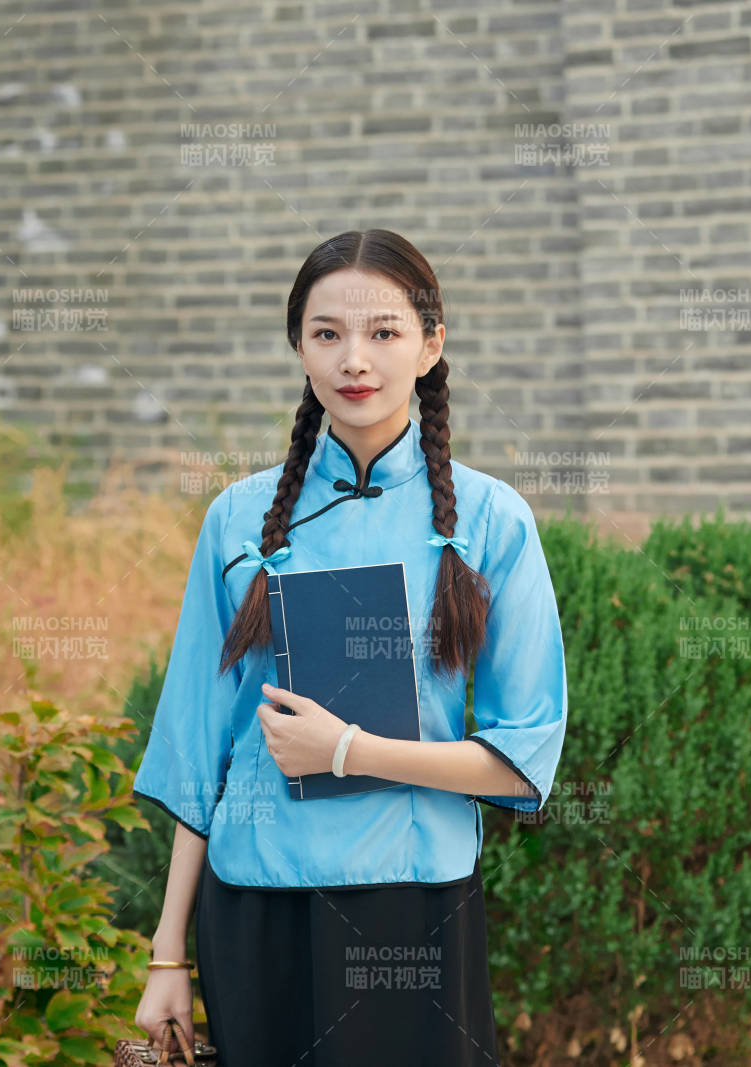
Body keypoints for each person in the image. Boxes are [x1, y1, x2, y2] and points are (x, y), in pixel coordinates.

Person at [131, 228, 569, 1066]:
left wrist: (347, 749)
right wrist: (165, 954)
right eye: (327, 333)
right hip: (255, 904)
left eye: (384, 332)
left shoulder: (490, 519)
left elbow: (522, 758)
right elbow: (200, 748)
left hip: (413, 903)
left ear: (432, 345)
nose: (353, 360)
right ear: (299, 346)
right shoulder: (237, 517)